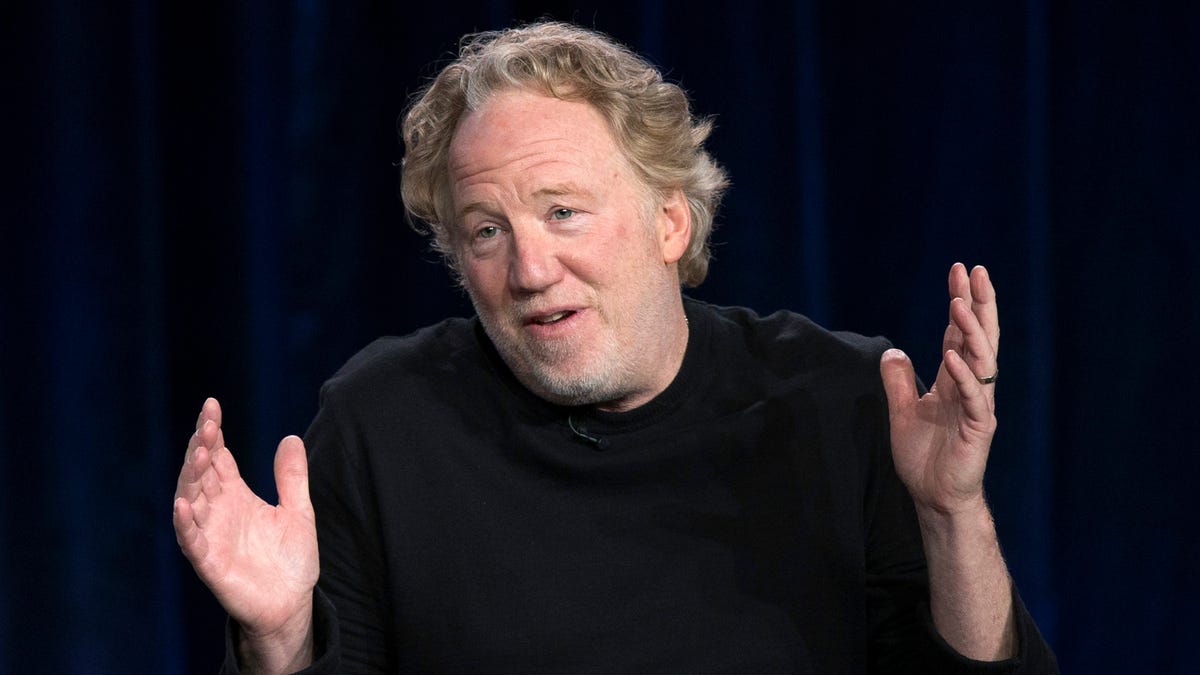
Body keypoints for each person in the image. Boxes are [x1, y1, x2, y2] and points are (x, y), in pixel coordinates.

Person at [173, 21, 1058, 674]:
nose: (528, 266)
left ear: (670, 220)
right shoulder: (383, 421)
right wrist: (280, 636)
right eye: (486, 231)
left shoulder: (841, 397)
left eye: (562, 211)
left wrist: (950, 513)